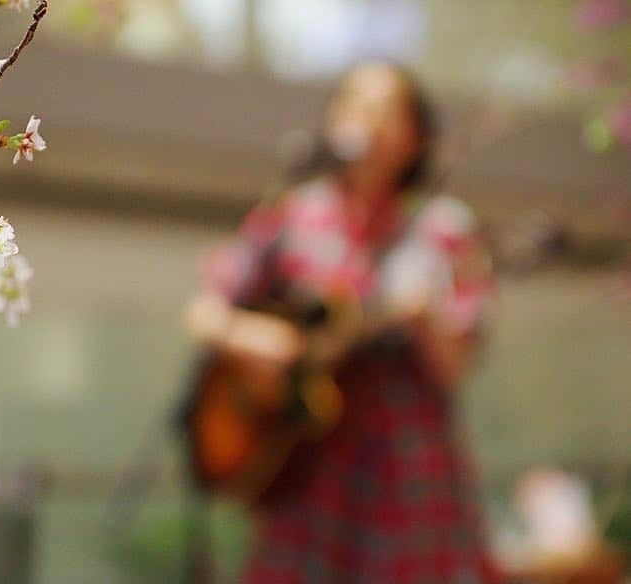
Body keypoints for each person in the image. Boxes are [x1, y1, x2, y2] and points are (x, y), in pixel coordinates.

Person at [185, 61, 498, 583]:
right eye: (353, 104)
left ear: (415, 138)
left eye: (383, 110)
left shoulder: (444, 231)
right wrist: (253, 338)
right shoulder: (292, 215)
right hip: (305, 468)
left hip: (405, 471)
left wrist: (425, 321)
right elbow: (205, 311)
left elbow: (456, 369)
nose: (365, 120)